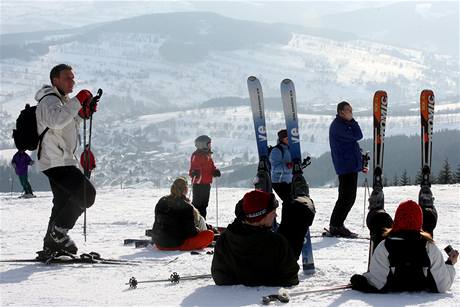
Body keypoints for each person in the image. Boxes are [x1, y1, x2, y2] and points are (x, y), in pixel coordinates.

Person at [35, 64, 98, 254]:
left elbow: (65, 124)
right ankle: (59, 233)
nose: (72, 81)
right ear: (56, 80)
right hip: (56, 161)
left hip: (60, 159)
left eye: (73, 77)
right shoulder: (48, 100)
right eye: (67, 78)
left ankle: (51, 243)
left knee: (62, 202)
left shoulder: (61, 100)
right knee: (87, 194)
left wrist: (82, 115)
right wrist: (79, 101)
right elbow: (56, 121)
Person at [211, 185, 315, 287]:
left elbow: (219, 277)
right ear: (262, 216)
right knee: (298, 215)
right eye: (273, 212)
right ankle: (301, 202)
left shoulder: (224, 239)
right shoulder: (276, 243)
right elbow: (290, 279)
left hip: (232, 295)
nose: (276, 215)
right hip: (266, 294)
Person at [351, 200, 457, 293]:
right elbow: (443, 285)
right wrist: (450, 264)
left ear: (397, 220)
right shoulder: (429, 247)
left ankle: (378, 213)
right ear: (420, 222)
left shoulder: (384, 247)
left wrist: (359, 282)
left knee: (381, 220)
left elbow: (376, 283)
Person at [328, 101, 365, 237]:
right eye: (349, 111)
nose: (351, 113)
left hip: (349, 165)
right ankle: (336, 225)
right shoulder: (338, 126)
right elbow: (358, 135)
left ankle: (337, 224)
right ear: (341, 112)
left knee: (348, 197)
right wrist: (353, 122)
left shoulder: (343, 124)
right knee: (346, 197)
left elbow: (356, 136)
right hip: (346, 165)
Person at [151, 177, 214, 251]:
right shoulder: (187, 207)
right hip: (175, 244)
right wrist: (198, 230)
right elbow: (191, 233)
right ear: (186, 189)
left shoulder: (162, 200)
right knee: (209, 234)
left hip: (158, 243)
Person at [189, 135, 221, 218]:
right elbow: (192, 168)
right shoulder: (196, 155)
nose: (210, 146)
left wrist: (214, 171)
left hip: (207, 184)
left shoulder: (208, 155)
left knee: (204, 205)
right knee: (197, 205)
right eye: (208, 144)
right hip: (198, 184)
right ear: (202, 145)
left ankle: (202, 222)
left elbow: (211, 166)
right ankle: (194, 222)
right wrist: (194, 173)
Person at [269, 129, 293, 203]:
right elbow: (275, 168)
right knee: (288, 201)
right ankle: (286, 215)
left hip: (288, 181)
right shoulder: (276, 151)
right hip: (278, 182)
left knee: (293, 201)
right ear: (282, 139)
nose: (289, 140)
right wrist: (287, 166)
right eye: (287, 139)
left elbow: (291, 167)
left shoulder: (290, 150)